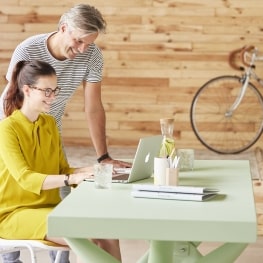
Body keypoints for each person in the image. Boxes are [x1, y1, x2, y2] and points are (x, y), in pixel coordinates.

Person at [0, 3, 130, 263]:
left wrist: (101, 161)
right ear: (63, 28)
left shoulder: (91, 56)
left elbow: (93, 107)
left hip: (45, 125)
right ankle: (9, 255)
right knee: (22, 187)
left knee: (88, 220)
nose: (83, 49)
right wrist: (18, 131)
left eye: (89, 43)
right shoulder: (28, 50)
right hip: (14, 124)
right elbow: (12, 95)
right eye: (80, 41)